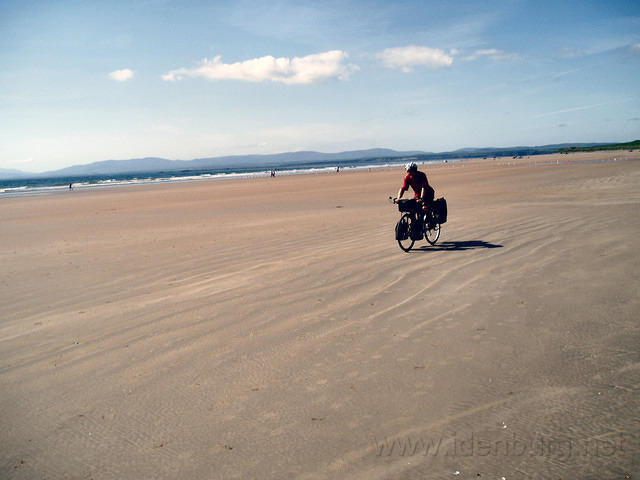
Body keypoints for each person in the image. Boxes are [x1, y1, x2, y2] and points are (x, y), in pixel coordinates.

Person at [393, 162, 436, 230]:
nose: (409, 173)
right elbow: (403, 188)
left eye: (410, 171)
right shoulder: (407, 177)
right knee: (412, 209)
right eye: (408, 171)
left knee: (424, 207)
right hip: (417, 195)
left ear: (415, 170)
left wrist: (421, 198)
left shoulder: (422, 175)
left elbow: (424, 187)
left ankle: (431, 221)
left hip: (428, 194)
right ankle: (416, 226)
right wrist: (398, 198)